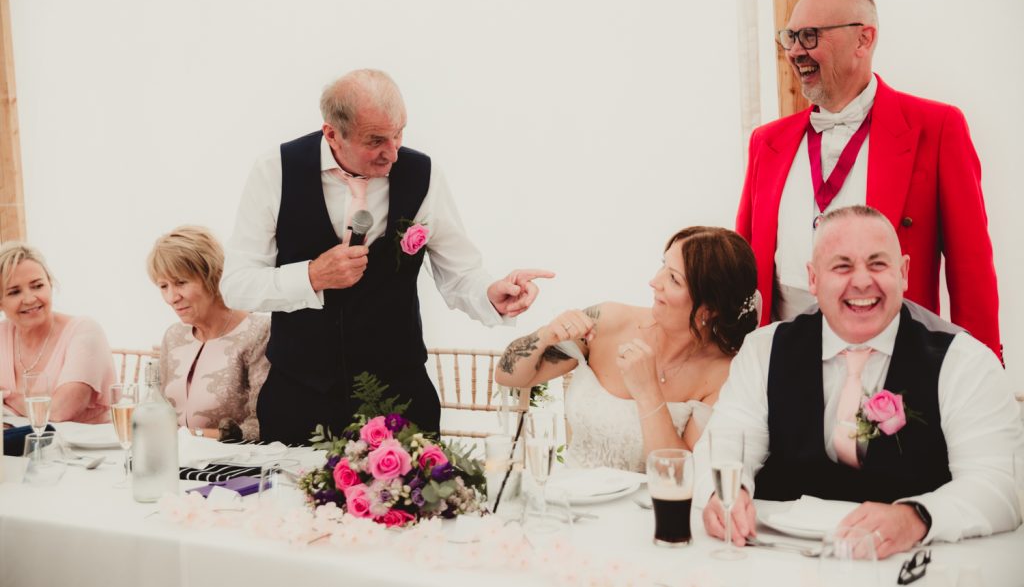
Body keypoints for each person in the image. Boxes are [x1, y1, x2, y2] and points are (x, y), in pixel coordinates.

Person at [222, 68, 552, 445]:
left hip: (402, 400)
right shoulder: (274, 172)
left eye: (399, 134)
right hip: (299, 400)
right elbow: (236, 286)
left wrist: (491, 293)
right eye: (376, 140)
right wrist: (311, 276)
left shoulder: (423, 174)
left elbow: (461, 274)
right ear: (332, 133)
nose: (392, 153)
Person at [698, 206, 1023, 559]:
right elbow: (726, 442)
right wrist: (721, 494)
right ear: (813, 278)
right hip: (776, 560)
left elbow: (1001, 483)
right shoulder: (764, 350)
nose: (863, 281)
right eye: (842, 266)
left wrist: (916, 517)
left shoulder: (965, 361)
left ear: (904, 273)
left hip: (914, 565)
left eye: (878, 264)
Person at [735, 0, 1000, 359]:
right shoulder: (766, 142)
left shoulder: (937, 127)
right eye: (789, 37)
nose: (794, 51)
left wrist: (984, 371)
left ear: (864, 39)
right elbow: (742, 268)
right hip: (781, 365)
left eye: (809, 36)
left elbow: (971, 270)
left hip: (896, 363)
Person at [496, 227, 759, 472]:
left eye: (674, 279)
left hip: (649, 515)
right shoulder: (609, 320)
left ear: (709, 309)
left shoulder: (724, 376)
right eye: (663, 266)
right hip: (571, 503)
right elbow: (508, 376)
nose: (654, 282)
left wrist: (648, 392)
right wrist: (544, 336)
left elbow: (679, 474)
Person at [147, 226, 270, 441]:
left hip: (231, 467)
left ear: (212, 275)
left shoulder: (258, 331)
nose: (171, 297)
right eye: (163, 286)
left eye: (181, 283)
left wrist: (191, 436)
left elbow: (261, 425)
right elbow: (159, 410)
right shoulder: (174, 336)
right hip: (176, 460)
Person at [0, 242, 114, 424]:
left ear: (50, 285)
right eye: (14, 292)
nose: (29, 299)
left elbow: (61, 411)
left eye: (37, 286)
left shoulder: (85, 331)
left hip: (87, 450)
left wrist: (7, 397)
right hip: (19, 450)